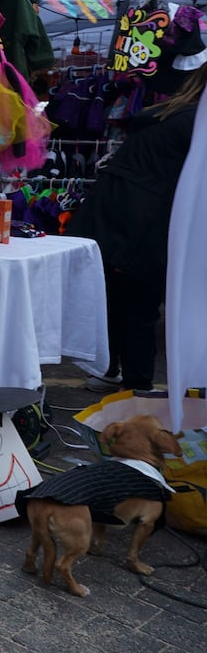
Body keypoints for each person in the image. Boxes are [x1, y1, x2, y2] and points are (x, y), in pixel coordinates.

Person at [70, 23, 204, 392]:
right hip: (141, 218)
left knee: (117, 297)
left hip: (118, 209)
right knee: (138, 305)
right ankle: (138, 386)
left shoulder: (172, 113)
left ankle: (118, 371)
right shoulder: (194, 120)